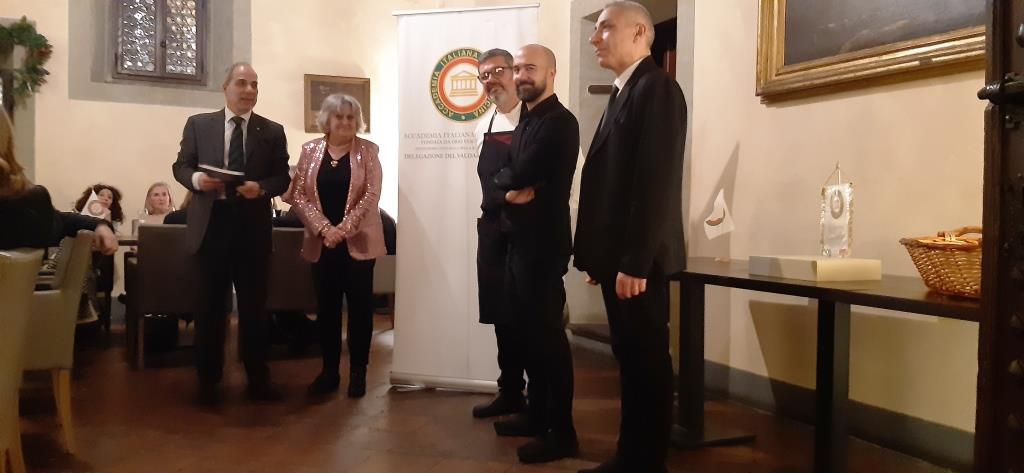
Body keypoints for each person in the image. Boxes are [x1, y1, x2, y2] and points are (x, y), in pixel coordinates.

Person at [573, 3, 688, 472]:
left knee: (646, 360)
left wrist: (635, 262)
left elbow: (654, 183)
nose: (594, 37)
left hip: (639, 263)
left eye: (605, 28)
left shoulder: (657, 88)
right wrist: (599, 257)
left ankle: (646, 461)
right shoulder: (626, 90)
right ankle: (631, 454)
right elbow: (613, 181)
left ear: (640, 32)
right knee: (630, 356)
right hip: (619, 258)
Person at [171, 62, 291, 405]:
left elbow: (281, 177)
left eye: (254, 84)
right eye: (241, 83)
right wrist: (197, 180)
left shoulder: (272, 130)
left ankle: (258, 380)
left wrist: (261, 187)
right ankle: (208, 382)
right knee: (209, 307)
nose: (249, 90)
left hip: (252, 226)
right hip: (212, 224)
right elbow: (181, 165)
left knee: (254, 307)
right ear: (225, 87)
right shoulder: (199, 124)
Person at [493, 44, 580, 464]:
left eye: (530, 67)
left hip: (543, 246)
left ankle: (562, 433)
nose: (521, 75)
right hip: (519, 241)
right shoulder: (528, 119)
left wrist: (510, 181)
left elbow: (522, 171)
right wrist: (509, 185)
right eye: (517, 68)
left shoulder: (561, 122)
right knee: (527, 336)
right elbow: (509, 174)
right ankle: (536, 414)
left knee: (548, 341)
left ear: (551, 73)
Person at [291, 93, 385, 398]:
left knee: (360, 311)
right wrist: (323, 229)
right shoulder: (310, 151)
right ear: (327, 120)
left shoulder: (368, 151)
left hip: (357, 245)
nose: (345, 122)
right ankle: (329, 371)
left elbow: (371, 196)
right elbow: (298, 195)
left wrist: (341, 230)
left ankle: (358, 373)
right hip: (322, 245)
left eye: (351, 117)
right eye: (339, 116)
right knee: (327, 310)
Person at [471, 47, 527, 420]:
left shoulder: (537, 120)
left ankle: (539, 397)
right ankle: (510, 391)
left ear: (514, 73)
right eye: (484, 76)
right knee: (501, 316)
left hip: (527, 231)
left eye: (498, 72)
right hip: (493, 230)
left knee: (529, 317)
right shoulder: (483, 125)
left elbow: (571, 182)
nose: (492, 80)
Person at [0, 109, 117, 253]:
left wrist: (99, 224)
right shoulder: (31, 200)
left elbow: (59, 220)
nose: (106, 198)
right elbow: (56, 223)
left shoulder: (30, 201)